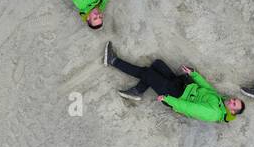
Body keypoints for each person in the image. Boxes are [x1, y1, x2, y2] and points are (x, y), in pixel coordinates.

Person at [104, 41, 245, 122]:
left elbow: (189, 108)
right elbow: (207, 88)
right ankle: (138, 91)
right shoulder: (221, 101)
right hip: (183, 84)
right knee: (157, 64)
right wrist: (194, 74)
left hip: (176, 95)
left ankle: (113, 61)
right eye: (234, 99)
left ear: (232, 111)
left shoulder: (214, 113)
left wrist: (169, 100)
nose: (232, 100)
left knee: (146, 73)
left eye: (234, 104)